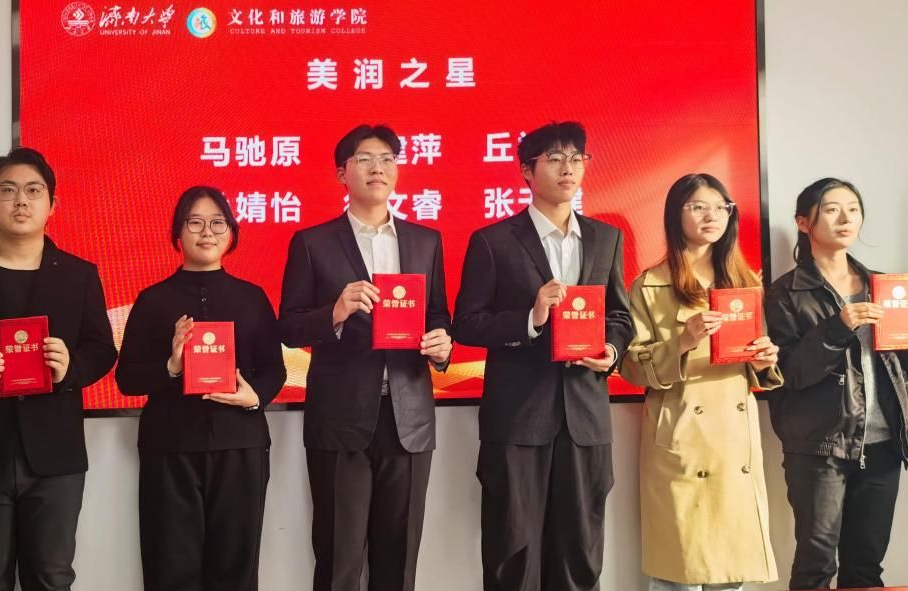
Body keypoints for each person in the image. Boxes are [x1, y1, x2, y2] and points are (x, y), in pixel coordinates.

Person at [0, 147, 117, 591]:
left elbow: (102, 350)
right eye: (7, 191)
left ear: (52, 204)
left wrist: (71, 366)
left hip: (56, 456)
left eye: (33, 190)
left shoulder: (80, 275)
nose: (21, 201)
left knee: (51, 578)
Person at [452, 121, 633, 591]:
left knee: (581, 552)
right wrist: (530, 318)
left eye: (576, 158)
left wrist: (611, 350)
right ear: (526, 171)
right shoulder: (493, 241)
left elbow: (620, 316)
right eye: (554, 159)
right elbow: (466, 324)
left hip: (585, 418)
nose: (567, 168)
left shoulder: (606, 238)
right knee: (513, 552)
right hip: (517, 419)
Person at [278, 124, 453, 591]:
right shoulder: (313, 242)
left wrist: (443, 345)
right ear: (342, 173)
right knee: (340, 558)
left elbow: (439, 314)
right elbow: (289, 326)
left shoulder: (426, 241)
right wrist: (335, 311)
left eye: (388, 159)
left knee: (399, 561)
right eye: (365, 159)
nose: (379, 168)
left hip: (409, 419)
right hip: (340, 419)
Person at [765, 177, 908, 589]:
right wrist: (838, 326)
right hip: (819, 448)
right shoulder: (786, 293)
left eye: (853, 209)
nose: (846, 218)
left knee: (866, 569)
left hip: (884, 444)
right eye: (831, 209)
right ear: (803, 222)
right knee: (815, 567)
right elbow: (789, 373)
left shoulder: (884, 287)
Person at [116, 185, 286, 591]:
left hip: (240, 445)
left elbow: (274, 369)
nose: (206, 232)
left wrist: (255, 397)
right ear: (178, 232)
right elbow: (127, 379)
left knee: (236, 569)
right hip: (170, 449)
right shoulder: (152, 300)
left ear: (231, 233)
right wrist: (171, 366)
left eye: (217, 223)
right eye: (194, 223)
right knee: (170, 567)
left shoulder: (252, 297)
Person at [620, 173, 782, 591]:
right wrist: (683, 341)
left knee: (731, 571)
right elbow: (631, 367)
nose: (711, 216)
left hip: (733, 441)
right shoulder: (650, 285)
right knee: (678, 571)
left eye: (720, 207)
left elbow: (755, 362)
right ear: (676, 215)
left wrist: (764, 359)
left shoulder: (746, 282)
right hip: (680, 437)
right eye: (697, 206)